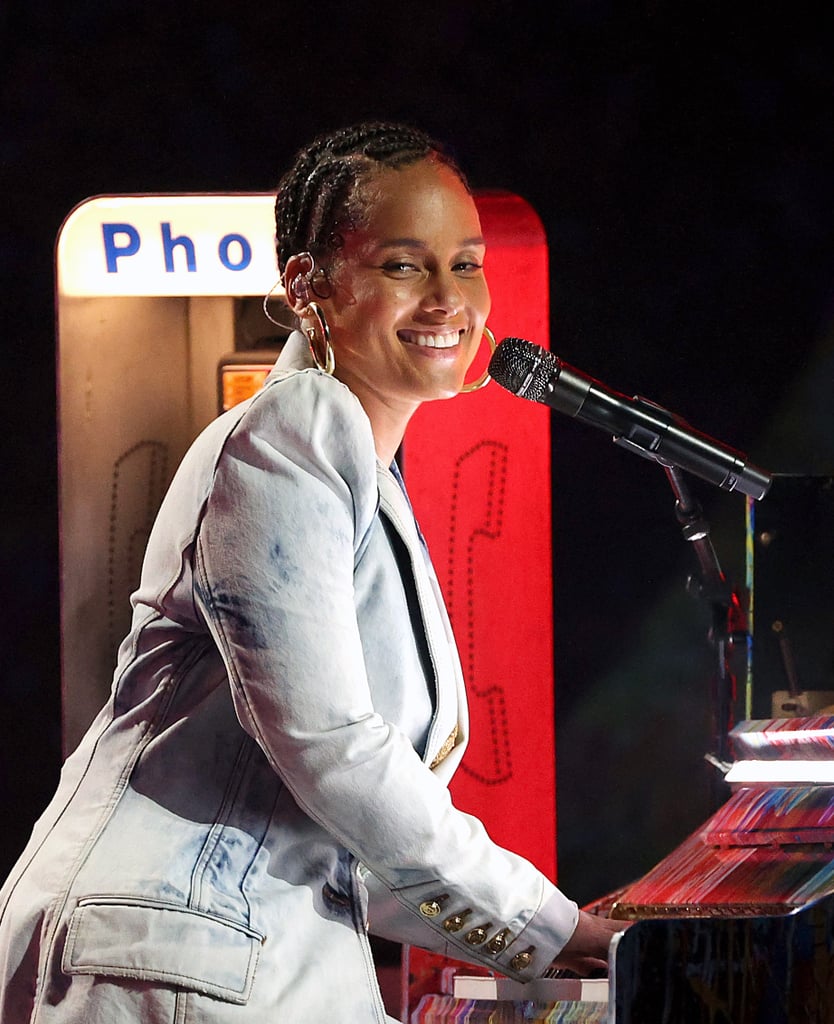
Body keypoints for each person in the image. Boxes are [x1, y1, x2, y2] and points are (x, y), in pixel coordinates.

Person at [0, 121, 625, 1023]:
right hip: (169, 959)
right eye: (405, 266)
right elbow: (331, 749)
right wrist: (547, 922)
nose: (450, 298)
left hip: (215, 950)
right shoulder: (294, 432)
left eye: (468, 263)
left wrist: (554, 934)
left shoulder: (362, 470)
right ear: (306, 287)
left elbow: (340, 837)